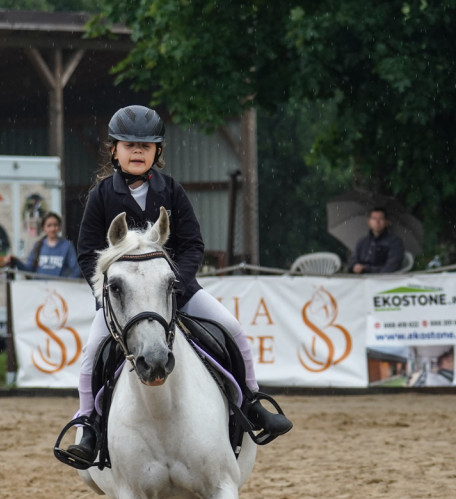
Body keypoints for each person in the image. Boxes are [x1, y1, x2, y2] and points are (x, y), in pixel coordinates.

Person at [59, 104, 292, 467]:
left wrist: (177, 286)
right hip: (123, 302)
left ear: (157, 152)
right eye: (129, 145)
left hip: (174, 291)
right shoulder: (101, 196)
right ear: (114, 150)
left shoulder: (172, 191)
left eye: (146, 146)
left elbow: (192, 244)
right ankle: (89, 425)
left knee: (233, 329)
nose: (137, 152)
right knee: (91, 355)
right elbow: (88, 252)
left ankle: (251, 403)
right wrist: (104, 294)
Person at [5, 212, 81, 278]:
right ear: (43, 228)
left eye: (55, 225)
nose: (52, 229)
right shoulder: (38, 245)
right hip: (40, 290)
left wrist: (66, 284)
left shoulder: (67, 245)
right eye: (49, 225)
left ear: (60, 227)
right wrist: (15, 260)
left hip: (59, 291)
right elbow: (29, 269)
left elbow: (76, 270)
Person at [348, 207, 404, 273]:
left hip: (382, 280)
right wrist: (354, 267)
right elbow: (352, 261)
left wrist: (366, 268)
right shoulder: (362, 242)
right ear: (369, 222)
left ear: (386, 222)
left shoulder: (394, 242)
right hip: (359, 278)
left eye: (381, 219)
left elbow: (392, 267)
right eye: (374, 218)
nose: (377, 222)